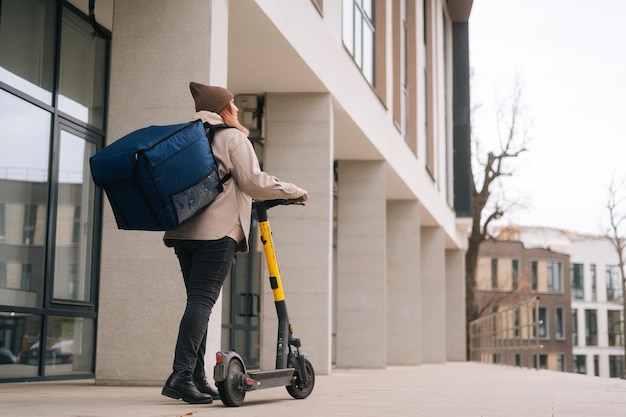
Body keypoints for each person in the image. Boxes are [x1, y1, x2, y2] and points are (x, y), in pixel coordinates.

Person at [161, 82, 309, 405]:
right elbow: (254, 183)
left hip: (183, 234)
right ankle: (181, 374)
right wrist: (293, 191)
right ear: (222, 109)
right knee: (201, 302)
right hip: (217, 234)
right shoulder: (232, 137)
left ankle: (196, 378)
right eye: (232, 104)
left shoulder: (188, 136)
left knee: (197, 302)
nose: (238, 110)